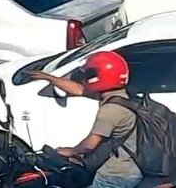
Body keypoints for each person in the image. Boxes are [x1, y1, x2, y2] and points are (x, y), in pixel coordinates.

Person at [30, 52, 144, 188]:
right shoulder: (124, 96)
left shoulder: (111, 110)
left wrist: (71, 151)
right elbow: (80, 90)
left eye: (89, 74)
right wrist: (49, 78)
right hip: (135, 166)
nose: (85, 79)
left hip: (116, 175)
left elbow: (89, 145)